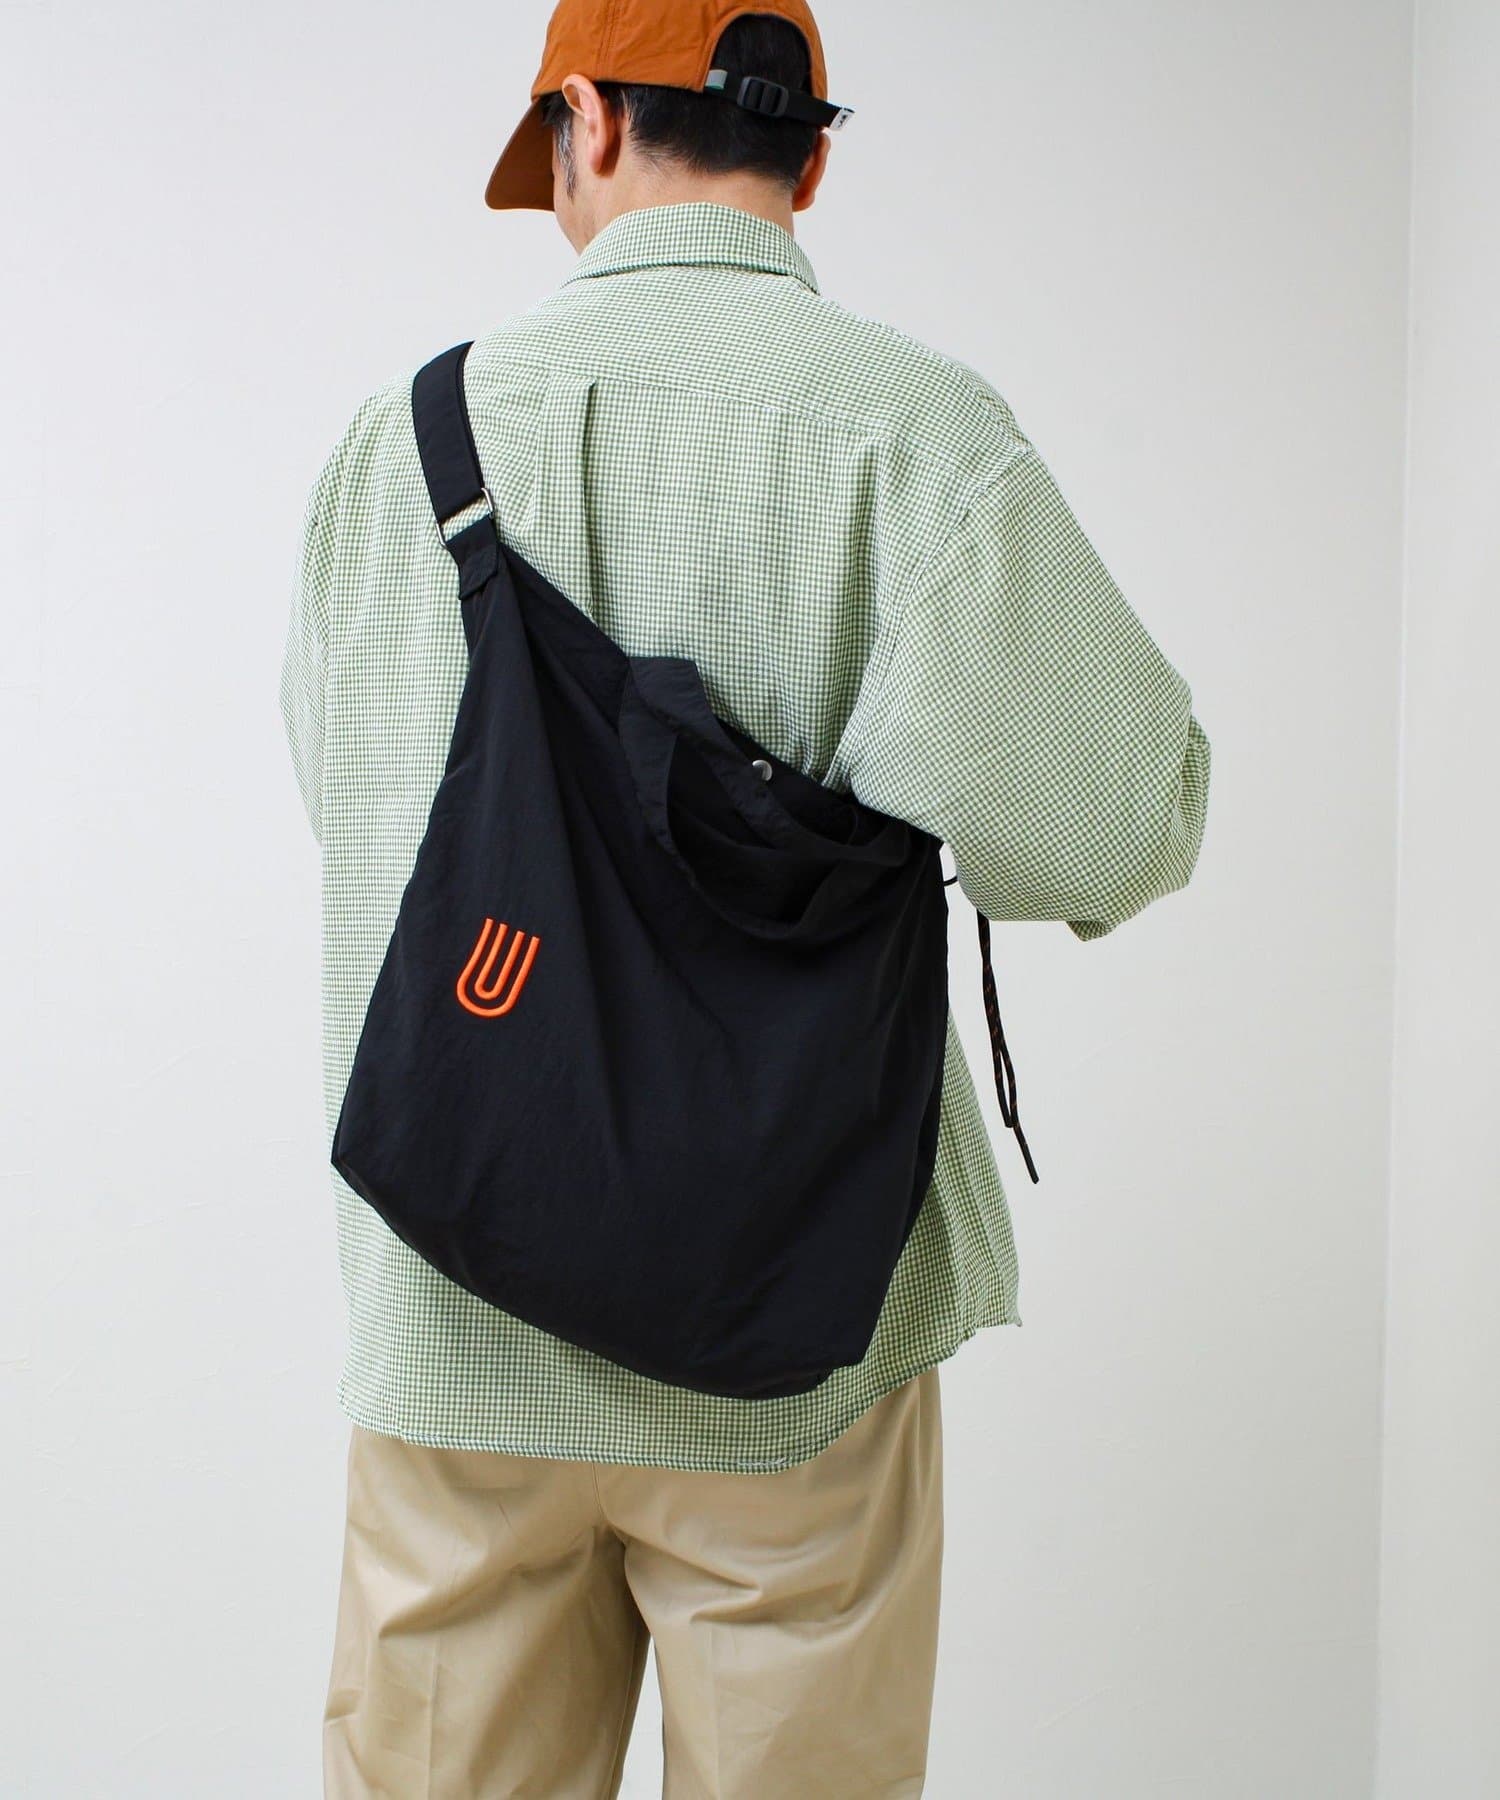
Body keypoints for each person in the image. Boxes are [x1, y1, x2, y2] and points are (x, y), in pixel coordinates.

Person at [279, 0, 1213, 1792]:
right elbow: (1114, 830)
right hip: (796, 1318)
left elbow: (359, 810)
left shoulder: (400, 444)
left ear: (585, 122)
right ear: (812, 159)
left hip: (462, 1299)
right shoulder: (917, 436)